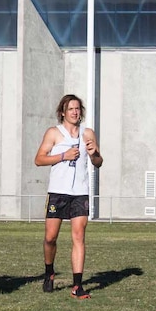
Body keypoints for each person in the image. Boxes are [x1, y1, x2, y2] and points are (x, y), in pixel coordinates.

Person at [34, 94, 104, 298]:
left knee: (79, 236)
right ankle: (49, 272)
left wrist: (94, 154)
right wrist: (63, 156)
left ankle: (77, 286)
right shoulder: (54, 133)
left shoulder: (87, 133)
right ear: (63, 112)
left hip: (80, 192)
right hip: (58, 192)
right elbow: (39, 159)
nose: (74, 112)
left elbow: (98, 163)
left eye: (77, 108)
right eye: (70, 109)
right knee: (50, 238)